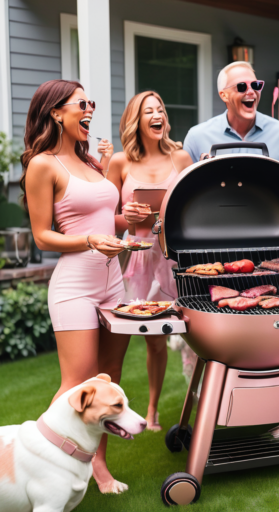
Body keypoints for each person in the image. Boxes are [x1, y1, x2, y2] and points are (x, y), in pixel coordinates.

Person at [21, 80, 133, 494]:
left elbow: (106, 219)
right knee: (77, 385)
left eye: (92, 103)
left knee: (110, 381)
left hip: (113, 283)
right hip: (76, 287)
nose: (90, 110)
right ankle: (33, 462)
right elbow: (42, 235)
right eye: (82, 104)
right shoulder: (43, 164)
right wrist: (88, 240)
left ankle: (95, 467)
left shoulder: (90, 162)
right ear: (56, 112)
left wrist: (129, 217)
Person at [108, 91, 194, 430]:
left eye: (160, 108)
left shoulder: (181, 158)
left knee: (194, 329)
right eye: (149, 111)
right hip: (140, 257)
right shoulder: (120, 163)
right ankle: (153, 410)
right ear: (136, 121)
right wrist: (127, 217)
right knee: (152, 339)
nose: (157, 114)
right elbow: (106, 217)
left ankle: (200, 399)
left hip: (175, 258)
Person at [183, 61, 279, 166]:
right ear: (224, 95)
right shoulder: (197, 137)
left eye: (255, 85)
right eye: (241, 86)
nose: (252, 92)